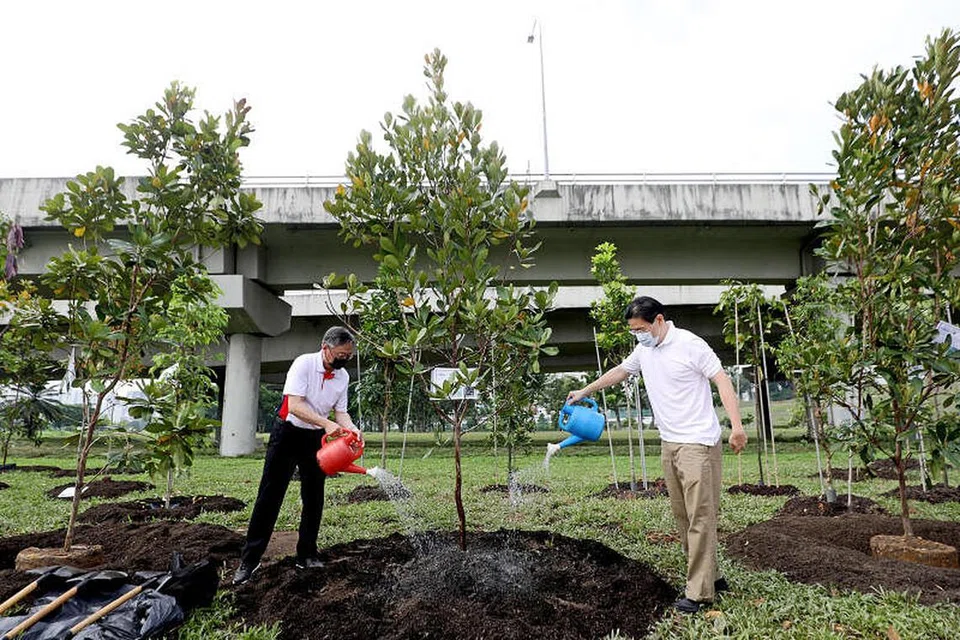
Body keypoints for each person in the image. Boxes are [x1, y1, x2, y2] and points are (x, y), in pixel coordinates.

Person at [566, 296, 747, 614]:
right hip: (670, 443)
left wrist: (736, 426)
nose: (637, 335)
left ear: (659, 321)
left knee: (700, 518)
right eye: (633, 331)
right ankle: (713, 577)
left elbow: (722, 380)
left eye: (640, 329)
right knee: (683, 517)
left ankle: (700, 593)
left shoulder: (691, 345)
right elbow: (619, 372)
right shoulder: (644, 349)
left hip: (698, 444)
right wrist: (584, 391)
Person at [233, 326, 362, 585]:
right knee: (270, 495)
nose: (344, 359)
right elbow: (295, 405)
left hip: (315, 439)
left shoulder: (343, 377)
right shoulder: (303, 364)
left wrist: (353, 429)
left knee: (314, 496)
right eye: (340, 354)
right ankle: (250, 560)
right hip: (287, 434)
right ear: (325, 348)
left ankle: (307, 554)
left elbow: (341, 413)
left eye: (348, 355)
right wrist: (325, 424)